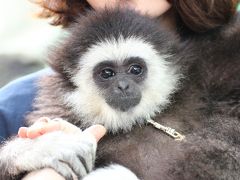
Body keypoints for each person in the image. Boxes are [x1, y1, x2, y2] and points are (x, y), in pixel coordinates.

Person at [0, 0, 238, 179]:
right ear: (72, 80)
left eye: (136, 70)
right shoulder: (17, 106)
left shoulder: (229, 58)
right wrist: (18, 158)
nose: (123, 85)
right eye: (106, 74)